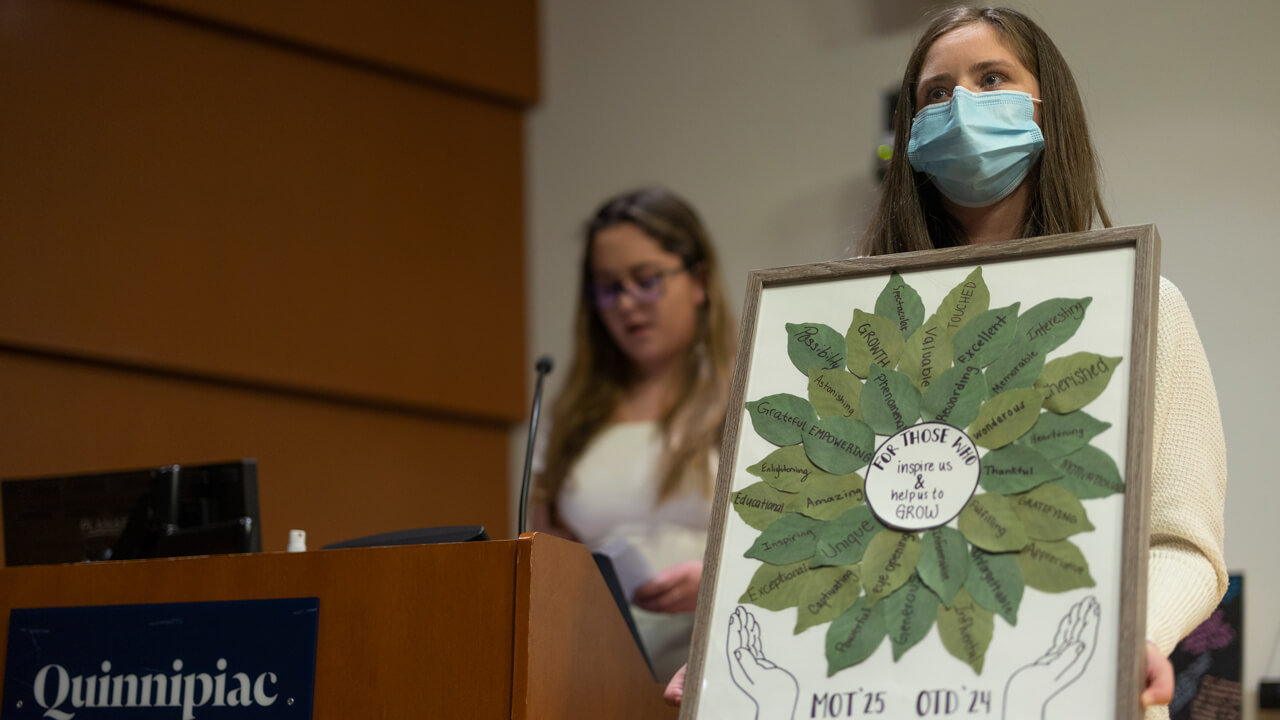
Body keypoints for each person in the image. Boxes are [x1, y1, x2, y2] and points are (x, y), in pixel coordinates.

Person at [664, 8, 1227, 718]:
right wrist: (734, 648)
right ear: (909, 131)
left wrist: (1132, 637)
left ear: (1048, 107)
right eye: (935, 93)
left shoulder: (1142, 307)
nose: (960, 106)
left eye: (992, 78)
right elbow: (799, 533)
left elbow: (1184, 544)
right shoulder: (846, 327)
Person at [532, 187, 737, 681]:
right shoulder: (573, 416)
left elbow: (795, 549)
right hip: (594, 679)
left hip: (719, 669)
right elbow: (542, 556)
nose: (626, 305)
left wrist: (718, 580)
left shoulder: (749, 391)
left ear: (699, 281)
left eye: (646, 281)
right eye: (607, 288)